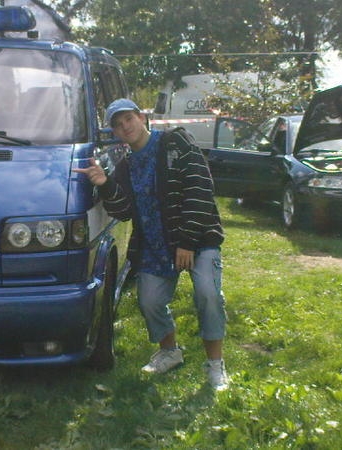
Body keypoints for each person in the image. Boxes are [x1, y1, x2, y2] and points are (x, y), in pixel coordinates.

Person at [74, 98, 228, 390]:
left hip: (196, 239)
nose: (125, 127)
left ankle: (215, 365)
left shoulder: (176, 143)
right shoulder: (125, 166)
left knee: (208, 295)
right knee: (149, 302)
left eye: (128, 119)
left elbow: (200, 189)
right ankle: (170, 352)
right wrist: (104, 183)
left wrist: (187, 242)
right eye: (118, 125)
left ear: (141, 117)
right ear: (115, 133)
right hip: (155, 246)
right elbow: (123, 211)